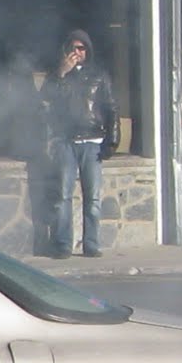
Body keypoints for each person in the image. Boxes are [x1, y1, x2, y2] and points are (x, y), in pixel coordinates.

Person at [37, 28, 118, 258]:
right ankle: (63, 244)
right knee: (63, 195)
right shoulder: (58, 74)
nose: (77, 52)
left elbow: (111, 106)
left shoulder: (99, 75)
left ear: (88, 50)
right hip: (66, 140)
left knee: (92, 196)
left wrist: (112, 139)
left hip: (92, 140)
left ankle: (91, 244)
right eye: (73, 48)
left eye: (81, 48)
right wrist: (62, 73)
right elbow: (45, 101)